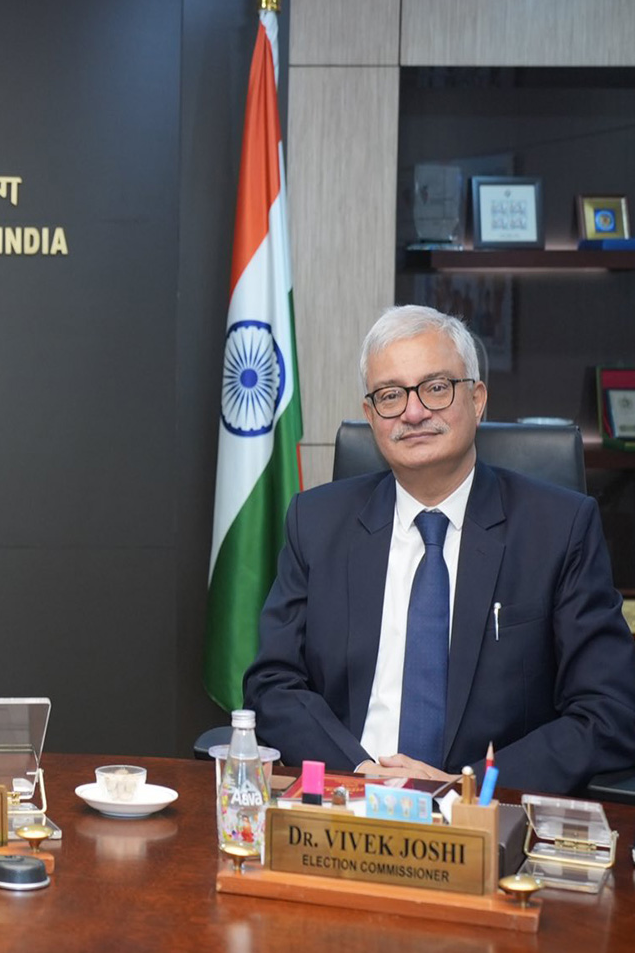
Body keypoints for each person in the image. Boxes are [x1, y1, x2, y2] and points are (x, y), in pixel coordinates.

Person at [245, 306, 635, 794]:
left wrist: (464, 786)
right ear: (371, 417)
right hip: (347, 803)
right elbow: (273, 684)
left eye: (434, 388)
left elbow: (608, 711)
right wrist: (360, 772)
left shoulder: (558, 529)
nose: (412, 412)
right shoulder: (317, 523)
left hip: (488, 817)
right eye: (390, 395)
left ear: (477, 399)